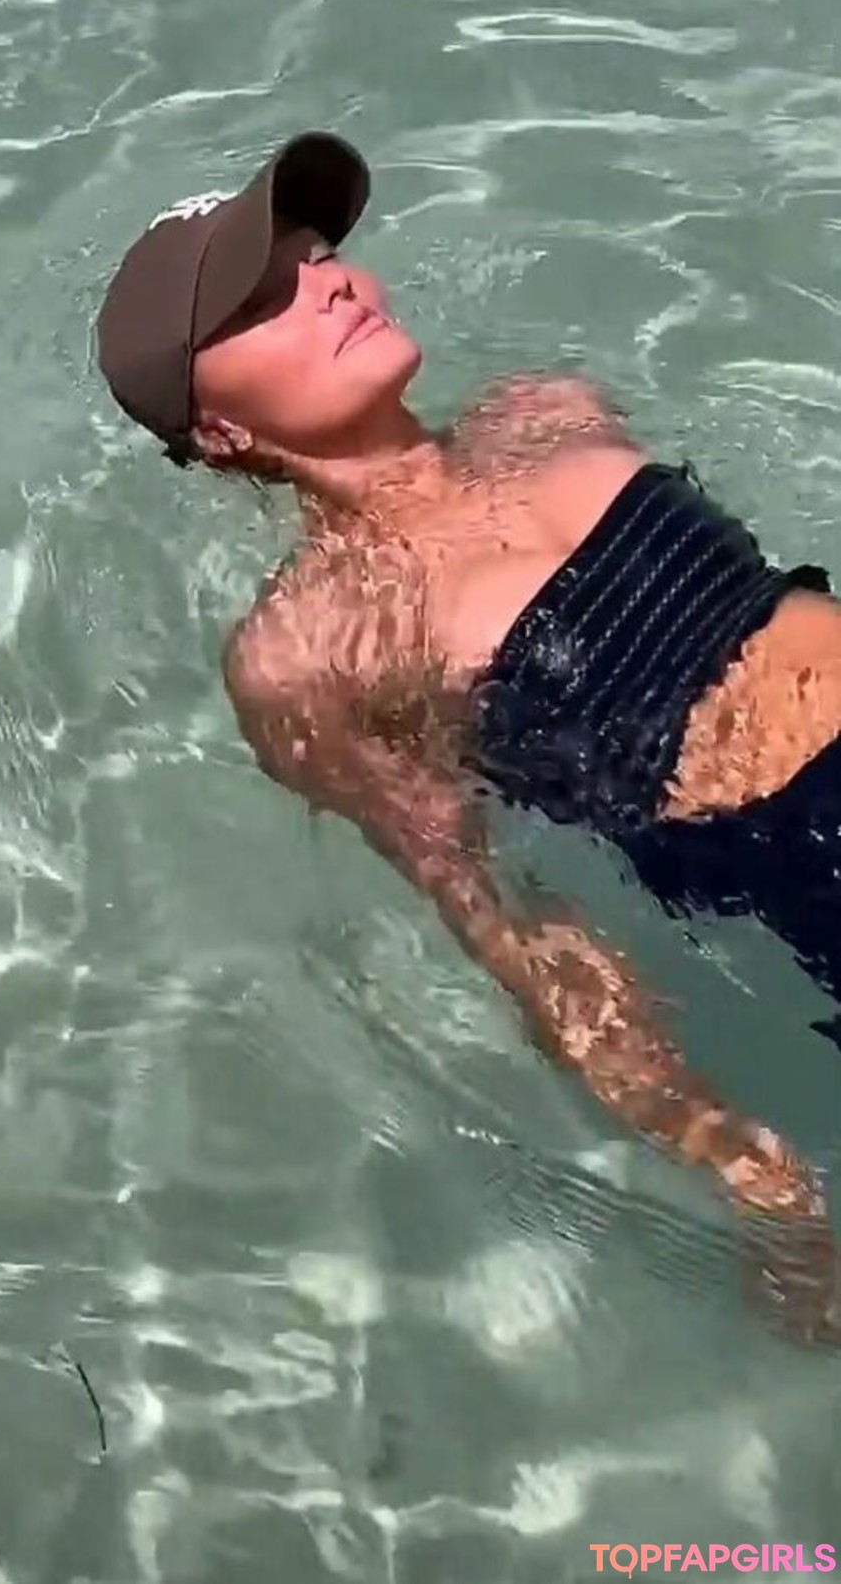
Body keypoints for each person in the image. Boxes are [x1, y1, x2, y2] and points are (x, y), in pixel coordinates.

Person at [96, 130, 841, 1331]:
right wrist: (746, 1171)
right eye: (269, 295)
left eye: (320, 256)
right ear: (219, 431)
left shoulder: (546, 412)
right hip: (810, 854)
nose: (332, 284)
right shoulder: (305, 656)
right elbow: (511, 930)